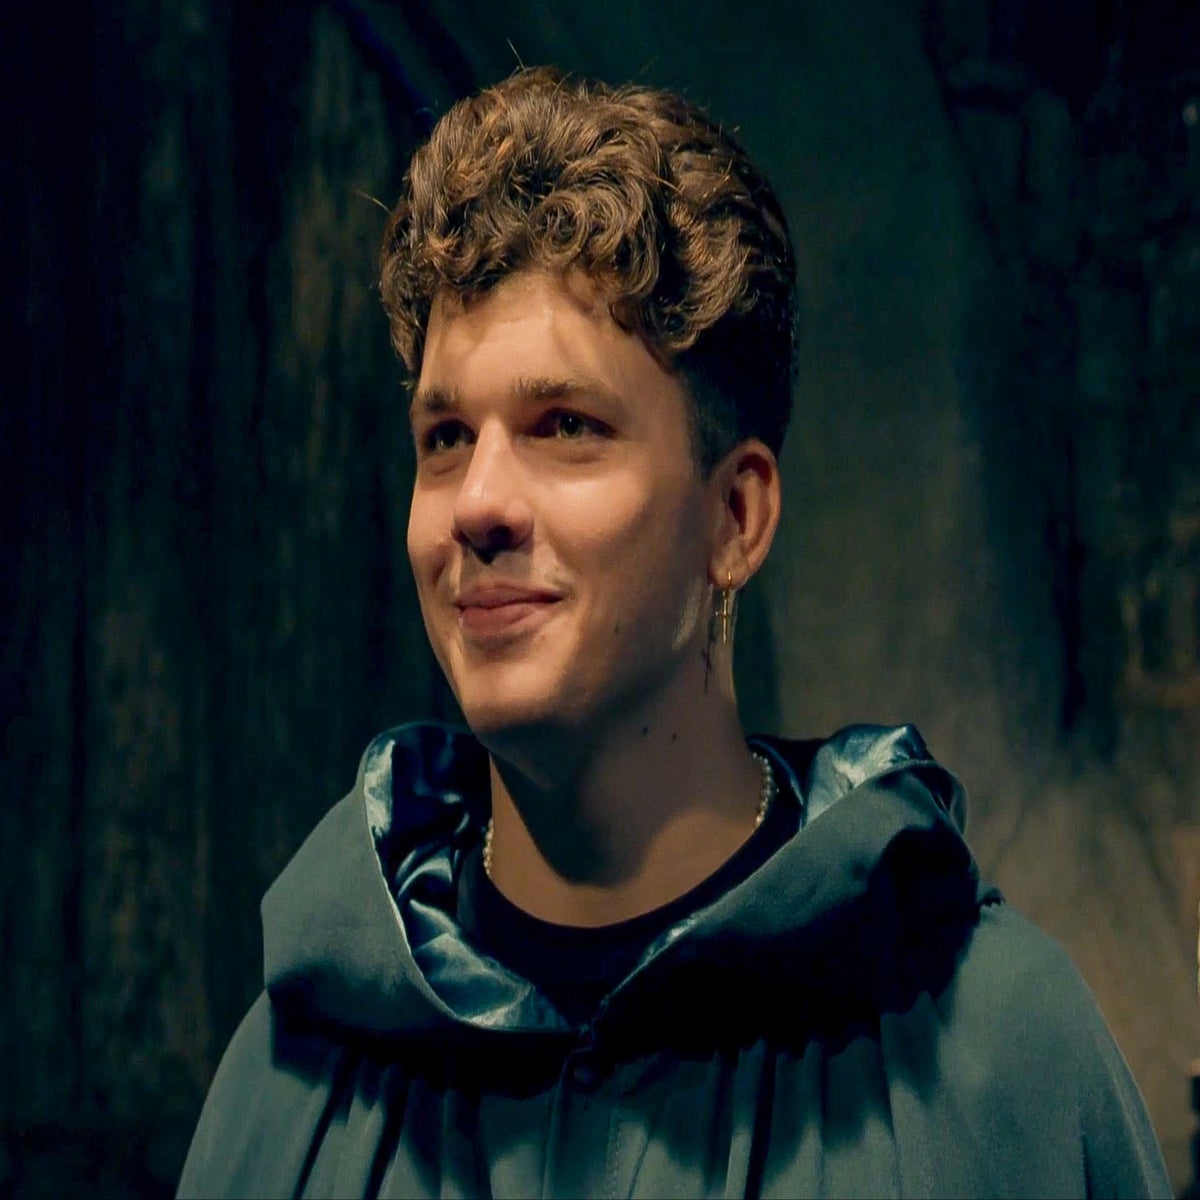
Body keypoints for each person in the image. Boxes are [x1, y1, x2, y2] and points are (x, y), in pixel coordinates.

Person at [178, 67, 1171, 1199]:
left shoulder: (995, 1056)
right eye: (445, 437)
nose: (478, 503)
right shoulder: (291, 1078)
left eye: (565, 426)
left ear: (735, 518)